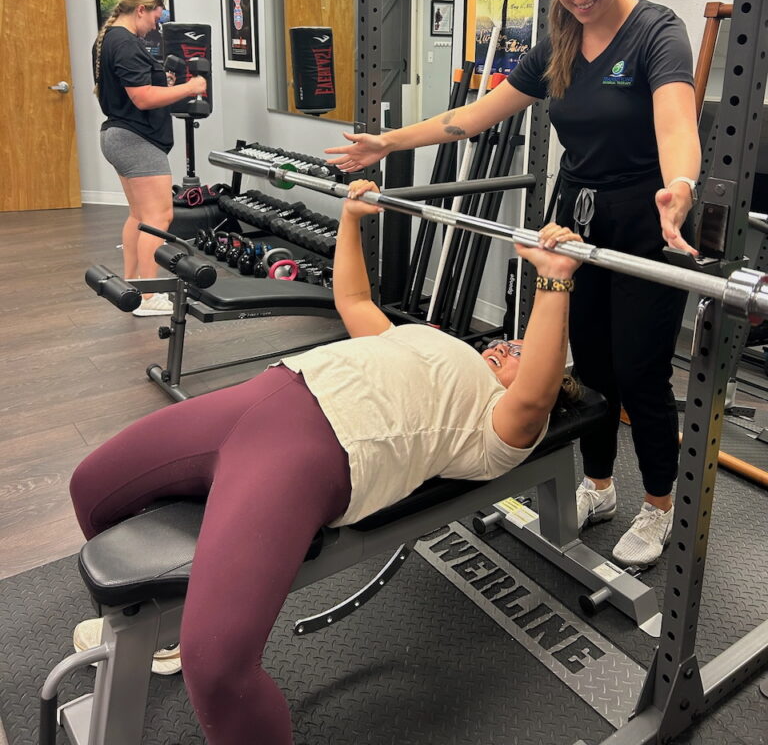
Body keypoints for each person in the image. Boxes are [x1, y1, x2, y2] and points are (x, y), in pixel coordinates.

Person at [69, 180, 582, 745]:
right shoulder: (431, 342)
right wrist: (352, 218)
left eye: (522, 356)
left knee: (215, 668)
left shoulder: (499, 425)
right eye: (509, 343)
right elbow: (355, 303)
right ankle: (154, 625)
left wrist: (553, 277)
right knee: (91, 488)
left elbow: (534, 395)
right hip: (261, 395)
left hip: (312, 450)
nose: (508, 348)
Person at [327, 0, 702, 569]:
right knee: (583, 364)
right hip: (574, 220)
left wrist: (681, 187)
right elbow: (471, 117)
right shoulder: (557, 42)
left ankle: (659, 504)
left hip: (648, 218)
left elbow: (677, 123)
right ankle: (597, 485)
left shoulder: (657, 32)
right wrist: (388, 142)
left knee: (640, 370)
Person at [92, 0, 207, 317]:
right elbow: (142, 98)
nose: (156, 26)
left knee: (140, 216)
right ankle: (148, 297)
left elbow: (136, 92)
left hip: (120, 135)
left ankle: (132, 287)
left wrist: (165, 86)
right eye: (155, 17)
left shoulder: (108, 39)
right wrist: (190, 87)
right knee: (159, 217)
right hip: (136, 140)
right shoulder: (125, 42)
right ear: (140, 9)